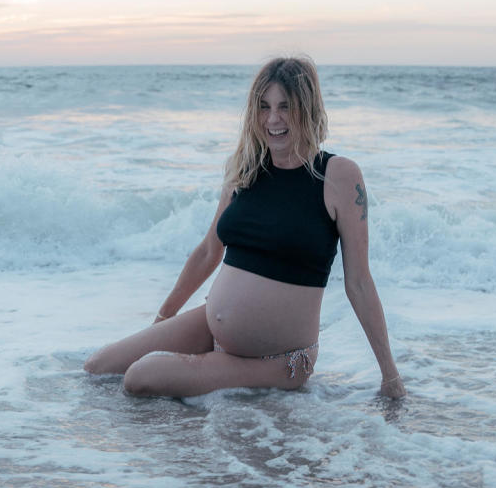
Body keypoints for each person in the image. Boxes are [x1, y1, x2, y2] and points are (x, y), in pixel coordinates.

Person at [84, 56, 406, 400]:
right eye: (264, 107)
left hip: (282, 360)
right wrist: (164, 316)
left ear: (307, 109)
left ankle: (211, 397)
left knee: (139, 377)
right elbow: (210, 250)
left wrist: (390, 376)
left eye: (285, 106)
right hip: (213, 328)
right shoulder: (246, 169)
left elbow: (358, 282)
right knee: (99, 367)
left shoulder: (338, 176)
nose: (273, 119)